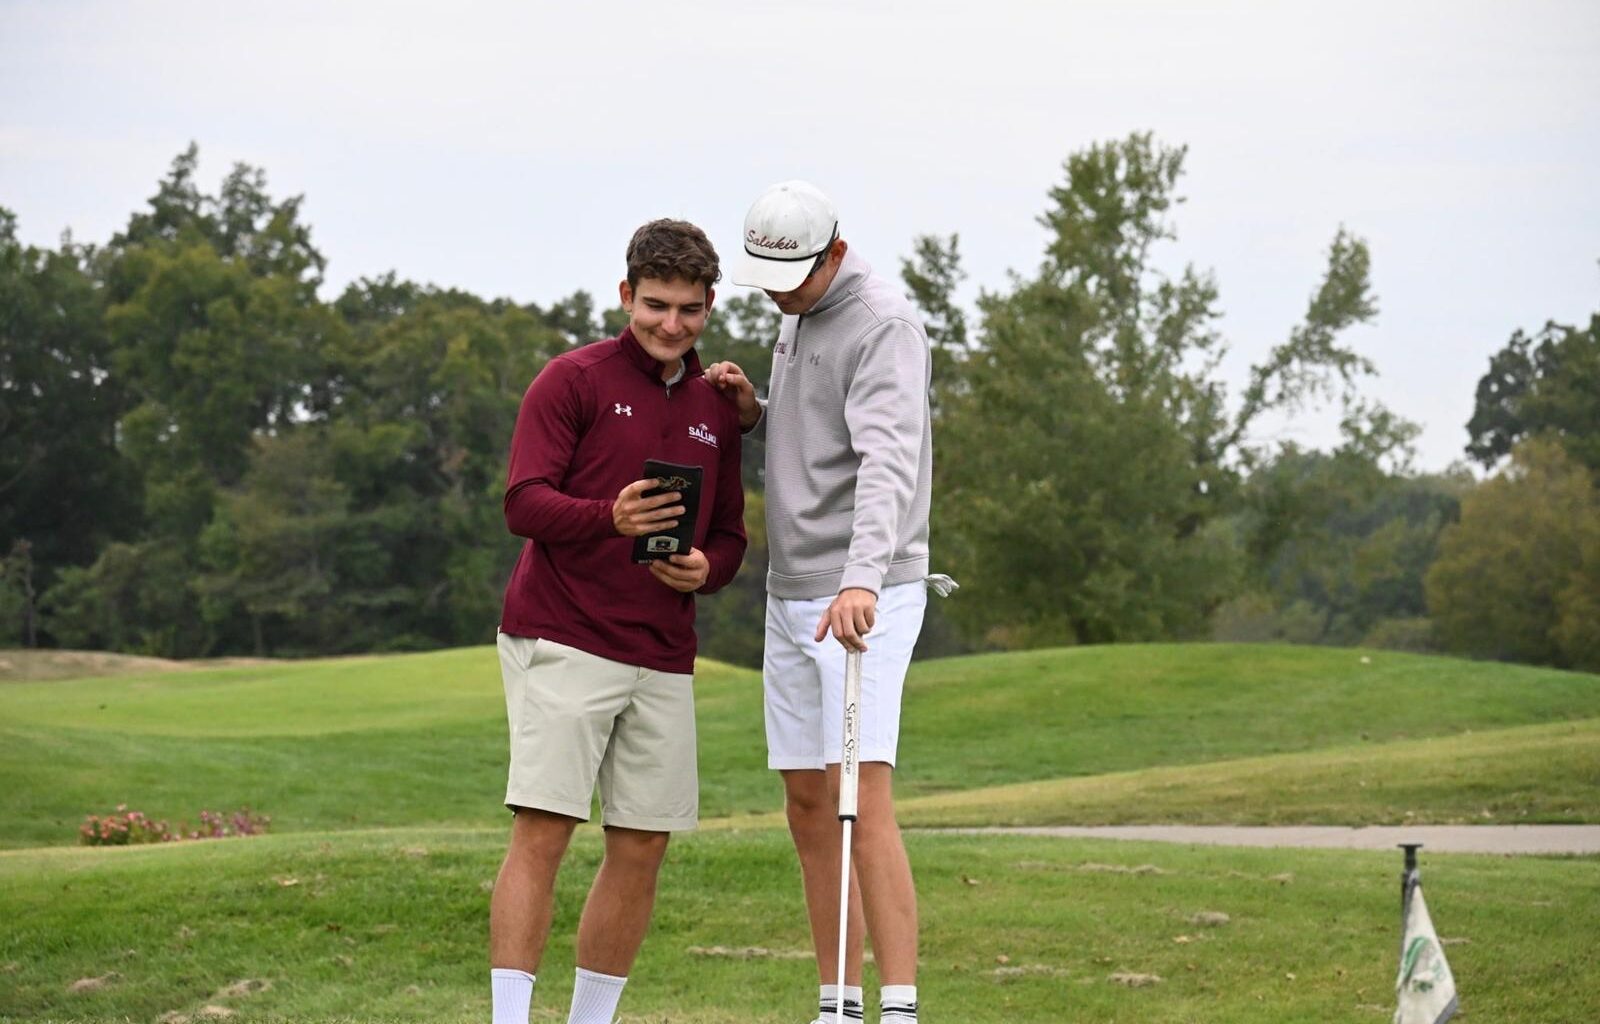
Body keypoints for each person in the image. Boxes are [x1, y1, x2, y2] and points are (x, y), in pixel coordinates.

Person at [488, 218, 747, 1024]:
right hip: (563, 635)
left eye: (691, 310)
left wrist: (708, 570)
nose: (673, 325)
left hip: (664, 653)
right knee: (546, 831)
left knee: (642, 845)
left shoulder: (717, 408)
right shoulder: (572, 380)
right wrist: (610, 517)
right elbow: (522, 502)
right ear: (626, 294)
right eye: (658, 305)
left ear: (709, 307)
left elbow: (732, 534)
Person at [708, 181, 951, 1024]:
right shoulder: (797, 307)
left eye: (794, 278)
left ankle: (900, 1007)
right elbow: (824, 435)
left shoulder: (883, 323)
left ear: (835, 254)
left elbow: (889, 461)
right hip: (793, 589)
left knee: (861, 794)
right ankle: (836, 1002)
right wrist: (755, 414)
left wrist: (861, 579)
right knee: (808, 802)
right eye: (769, 278)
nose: (778, 292)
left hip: (865, 590)